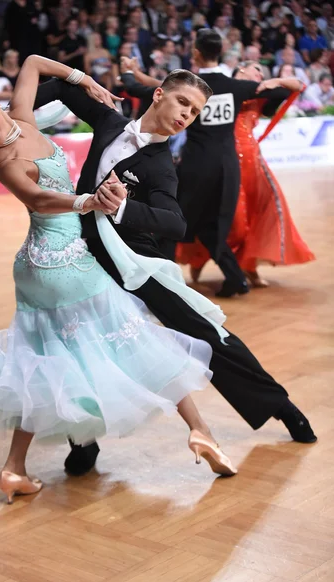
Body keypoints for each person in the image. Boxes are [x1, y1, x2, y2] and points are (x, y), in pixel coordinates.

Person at [0, 57, 237, 504]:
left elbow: (34, 63)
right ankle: (201, 430)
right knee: (136, 338)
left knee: (39, 364)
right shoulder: (5, 159)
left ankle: (14, 468)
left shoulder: (19, 116)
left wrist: (85, 80)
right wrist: (90, 202)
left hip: (39, 269)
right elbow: (38, 197)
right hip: (62, 263)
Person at [33, 62, 317, 479]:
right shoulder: (111, 121)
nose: (188, 114)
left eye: (196, 111)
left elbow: (176, 223)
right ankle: (83, 440)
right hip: (80, 252)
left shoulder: (161, 164)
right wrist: (14, 107)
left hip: (134, 257)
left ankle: (280, 406)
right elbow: (60, 87)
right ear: (159, 94)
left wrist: (125, 207)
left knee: (206, 330)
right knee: (74, 338)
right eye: (183, 101)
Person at [176, 61, 315, 287]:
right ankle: (202, 258)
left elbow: (298, 86)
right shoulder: (227, 88)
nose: (261, 74)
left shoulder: (259, 92)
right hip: (227, 161)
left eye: (263, 71)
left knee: (255, 217)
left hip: (253, 163)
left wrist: (277, 80)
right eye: (256, 69)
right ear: (241, 68)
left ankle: (246, 266)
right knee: (231, 220)